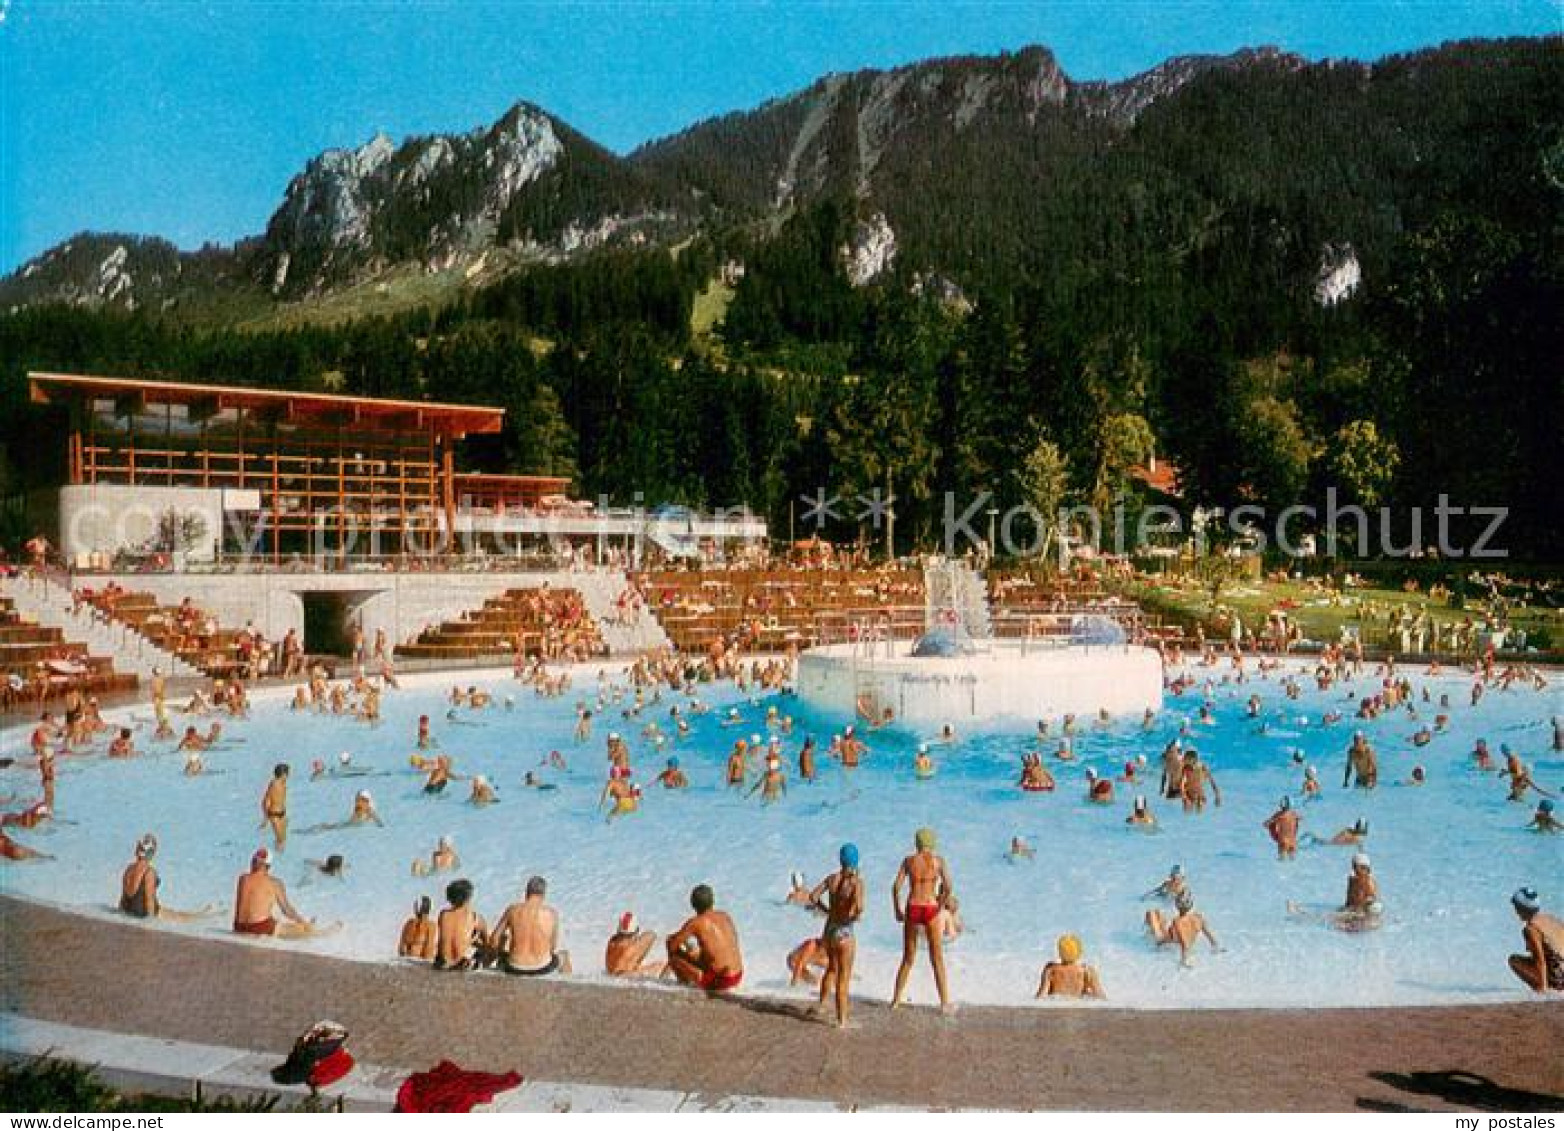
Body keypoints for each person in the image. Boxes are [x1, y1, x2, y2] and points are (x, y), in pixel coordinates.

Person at [891, 827, 955, 1012]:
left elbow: (895, 887)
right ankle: (944, 1003)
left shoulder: (908, 861)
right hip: (930, 908)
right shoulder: (938, 861)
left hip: (913, 907)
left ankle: (895, 1001)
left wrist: (897, 909)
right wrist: (940, 904)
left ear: (917, 843)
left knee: (908, 958)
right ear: (932, 844)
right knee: (937, 959)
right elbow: (949, 886)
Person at [807, 843, 865, 1028]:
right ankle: (842, 1020)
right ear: (856, 861)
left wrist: (827, 910)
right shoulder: (856, 883)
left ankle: (823, 1004)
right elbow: (859, 907)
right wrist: (854, 915)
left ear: (841, 860)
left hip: (830, 929)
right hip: (845, 931)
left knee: (832, 968)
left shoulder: (832, 878)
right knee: (844, 977)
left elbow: (813, 896)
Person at [666, 884, 744, 993]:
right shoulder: (725, 916)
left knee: (674, 955)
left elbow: (672, 945)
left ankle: (683, 985)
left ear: (692, 904)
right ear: (713, 901)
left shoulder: (695, 922)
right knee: (695, 952)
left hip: (721, 981)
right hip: (738, 975)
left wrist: (677, 949)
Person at [233, 848, 324, 939]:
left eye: (253, 861)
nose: (252, 863)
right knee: (304, 930)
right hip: (260, 928)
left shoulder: (243, 878)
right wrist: (303, 922)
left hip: (239, 927)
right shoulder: (274, 883)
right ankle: (312, 929)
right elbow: (287, 910)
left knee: (274, 920)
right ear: (268, 866)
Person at [491, 875, 572, 976]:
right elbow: (552, 946)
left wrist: (503, 953)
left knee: (503, 950)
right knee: (564, 955)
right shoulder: (552, 914)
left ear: (527, 892)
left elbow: (494, 939)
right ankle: (565, 983)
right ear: (543, 894)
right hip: (542, 968)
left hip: (514, 967)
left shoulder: (512, 910)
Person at [1506, 887, 1564, 993]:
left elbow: (1540, 961)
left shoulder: (1531, 929)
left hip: (1560, 977)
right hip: (1560, 968)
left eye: (1516, 907)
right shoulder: (1550, 919)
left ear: (1521, 908)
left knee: (1514, 961)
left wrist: (1543, 991)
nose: (1515, 911)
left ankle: (1542, 989)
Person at [1145, 891, 1221, 967]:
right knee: (1157, 913)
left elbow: (1184, 942)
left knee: (1150, 913)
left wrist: (1183, 961)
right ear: (1191, 905)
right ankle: (1150, 929)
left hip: (1165, 939)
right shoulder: (1198, 917)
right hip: (1177, 937)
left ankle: (1145, 932)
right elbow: (1208, 934)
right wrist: (1215, 945)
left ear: (1177, 906)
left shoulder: (1177, 922)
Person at [434, 878, 490, 970]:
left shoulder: (443, 914)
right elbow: (487, 944)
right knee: (481, 946)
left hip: (441, 963)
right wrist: (474, 942)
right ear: (468, 898)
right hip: (460, 964)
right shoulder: (475, 918)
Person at [1036, 933, 1105, 999]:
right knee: (1087, 993)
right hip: (1077, 1004)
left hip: (1057, 1003)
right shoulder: (1087, 971)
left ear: (1060, 951)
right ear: (1079, 951)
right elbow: (1100, 996)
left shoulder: (1051, 969)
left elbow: (1041, 995)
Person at [605, 912, 664, 978]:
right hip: (624, 975)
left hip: (617, 972)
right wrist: (646, 969)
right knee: (660, 965)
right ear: (636, 930)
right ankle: (638, 966)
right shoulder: (630, 948)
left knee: (649, 935)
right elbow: (621, 972)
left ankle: (637, 966)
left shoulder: (612, 940)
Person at [399, 895, 438, 960]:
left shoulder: (409, 923)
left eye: (415, 906)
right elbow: (429, 949)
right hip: (414, 960)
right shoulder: (430, 925)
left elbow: (401, 947)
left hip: (411, 960)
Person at [261, 764, 289, 851]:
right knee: (280, 840)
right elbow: (265, 801)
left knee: (283, 840)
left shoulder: (283, 783)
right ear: (283, 774)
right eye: (287, 773)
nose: (288, 776)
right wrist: (266, 818)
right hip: (274, 815)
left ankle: (279, 853)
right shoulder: (274, 784)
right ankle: (277, 854)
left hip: (282, 814)